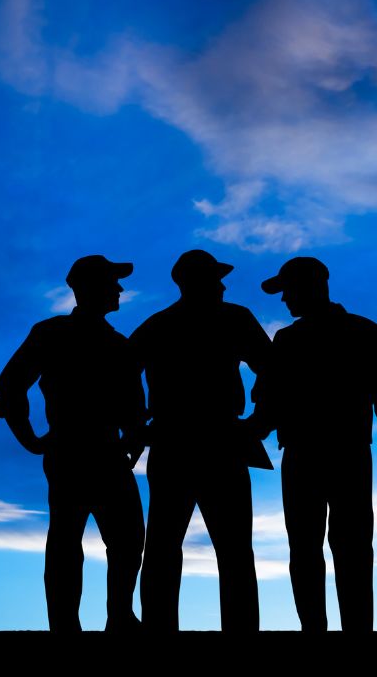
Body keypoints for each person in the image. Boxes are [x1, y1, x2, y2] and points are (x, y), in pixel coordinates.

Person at [251, 256, 377, 632]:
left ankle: (336, 631)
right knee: (323, 547)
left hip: (332, 454)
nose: (284, 300)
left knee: (338, 546)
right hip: (333, 454)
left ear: (311, 287)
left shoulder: (309, 338)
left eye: (288, 291)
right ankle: (329, 630)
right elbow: (271, 402)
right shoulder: (354, 332)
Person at [0, 255, 146, 633]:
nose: (120, 289)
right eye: (112, 282)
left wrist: (134, 434)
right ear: (89, 287)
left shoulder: (117, 343)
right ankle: (66, 625)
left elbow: (132, 401)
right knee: (68, 539)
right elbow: (9, 386)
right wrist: (28, 438)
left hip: (106, 452)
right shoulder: (51, 333)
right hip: (73, 450)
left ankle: (119, 617)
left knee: (126, 538)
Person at [132, 249, 270, 632]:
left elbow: (121, 373)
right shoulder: (232, 319)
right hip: (207, 440)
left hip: (186, 440)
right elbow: (274, 369)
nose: (223, 284)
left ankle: (162, 629)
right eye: (215, 278)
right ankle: (237, 632)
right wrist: (260, 420)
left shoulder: (161, 324)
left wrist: (137, 425)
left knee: (169, 545)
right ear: (198, 281)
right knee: (225, 548)